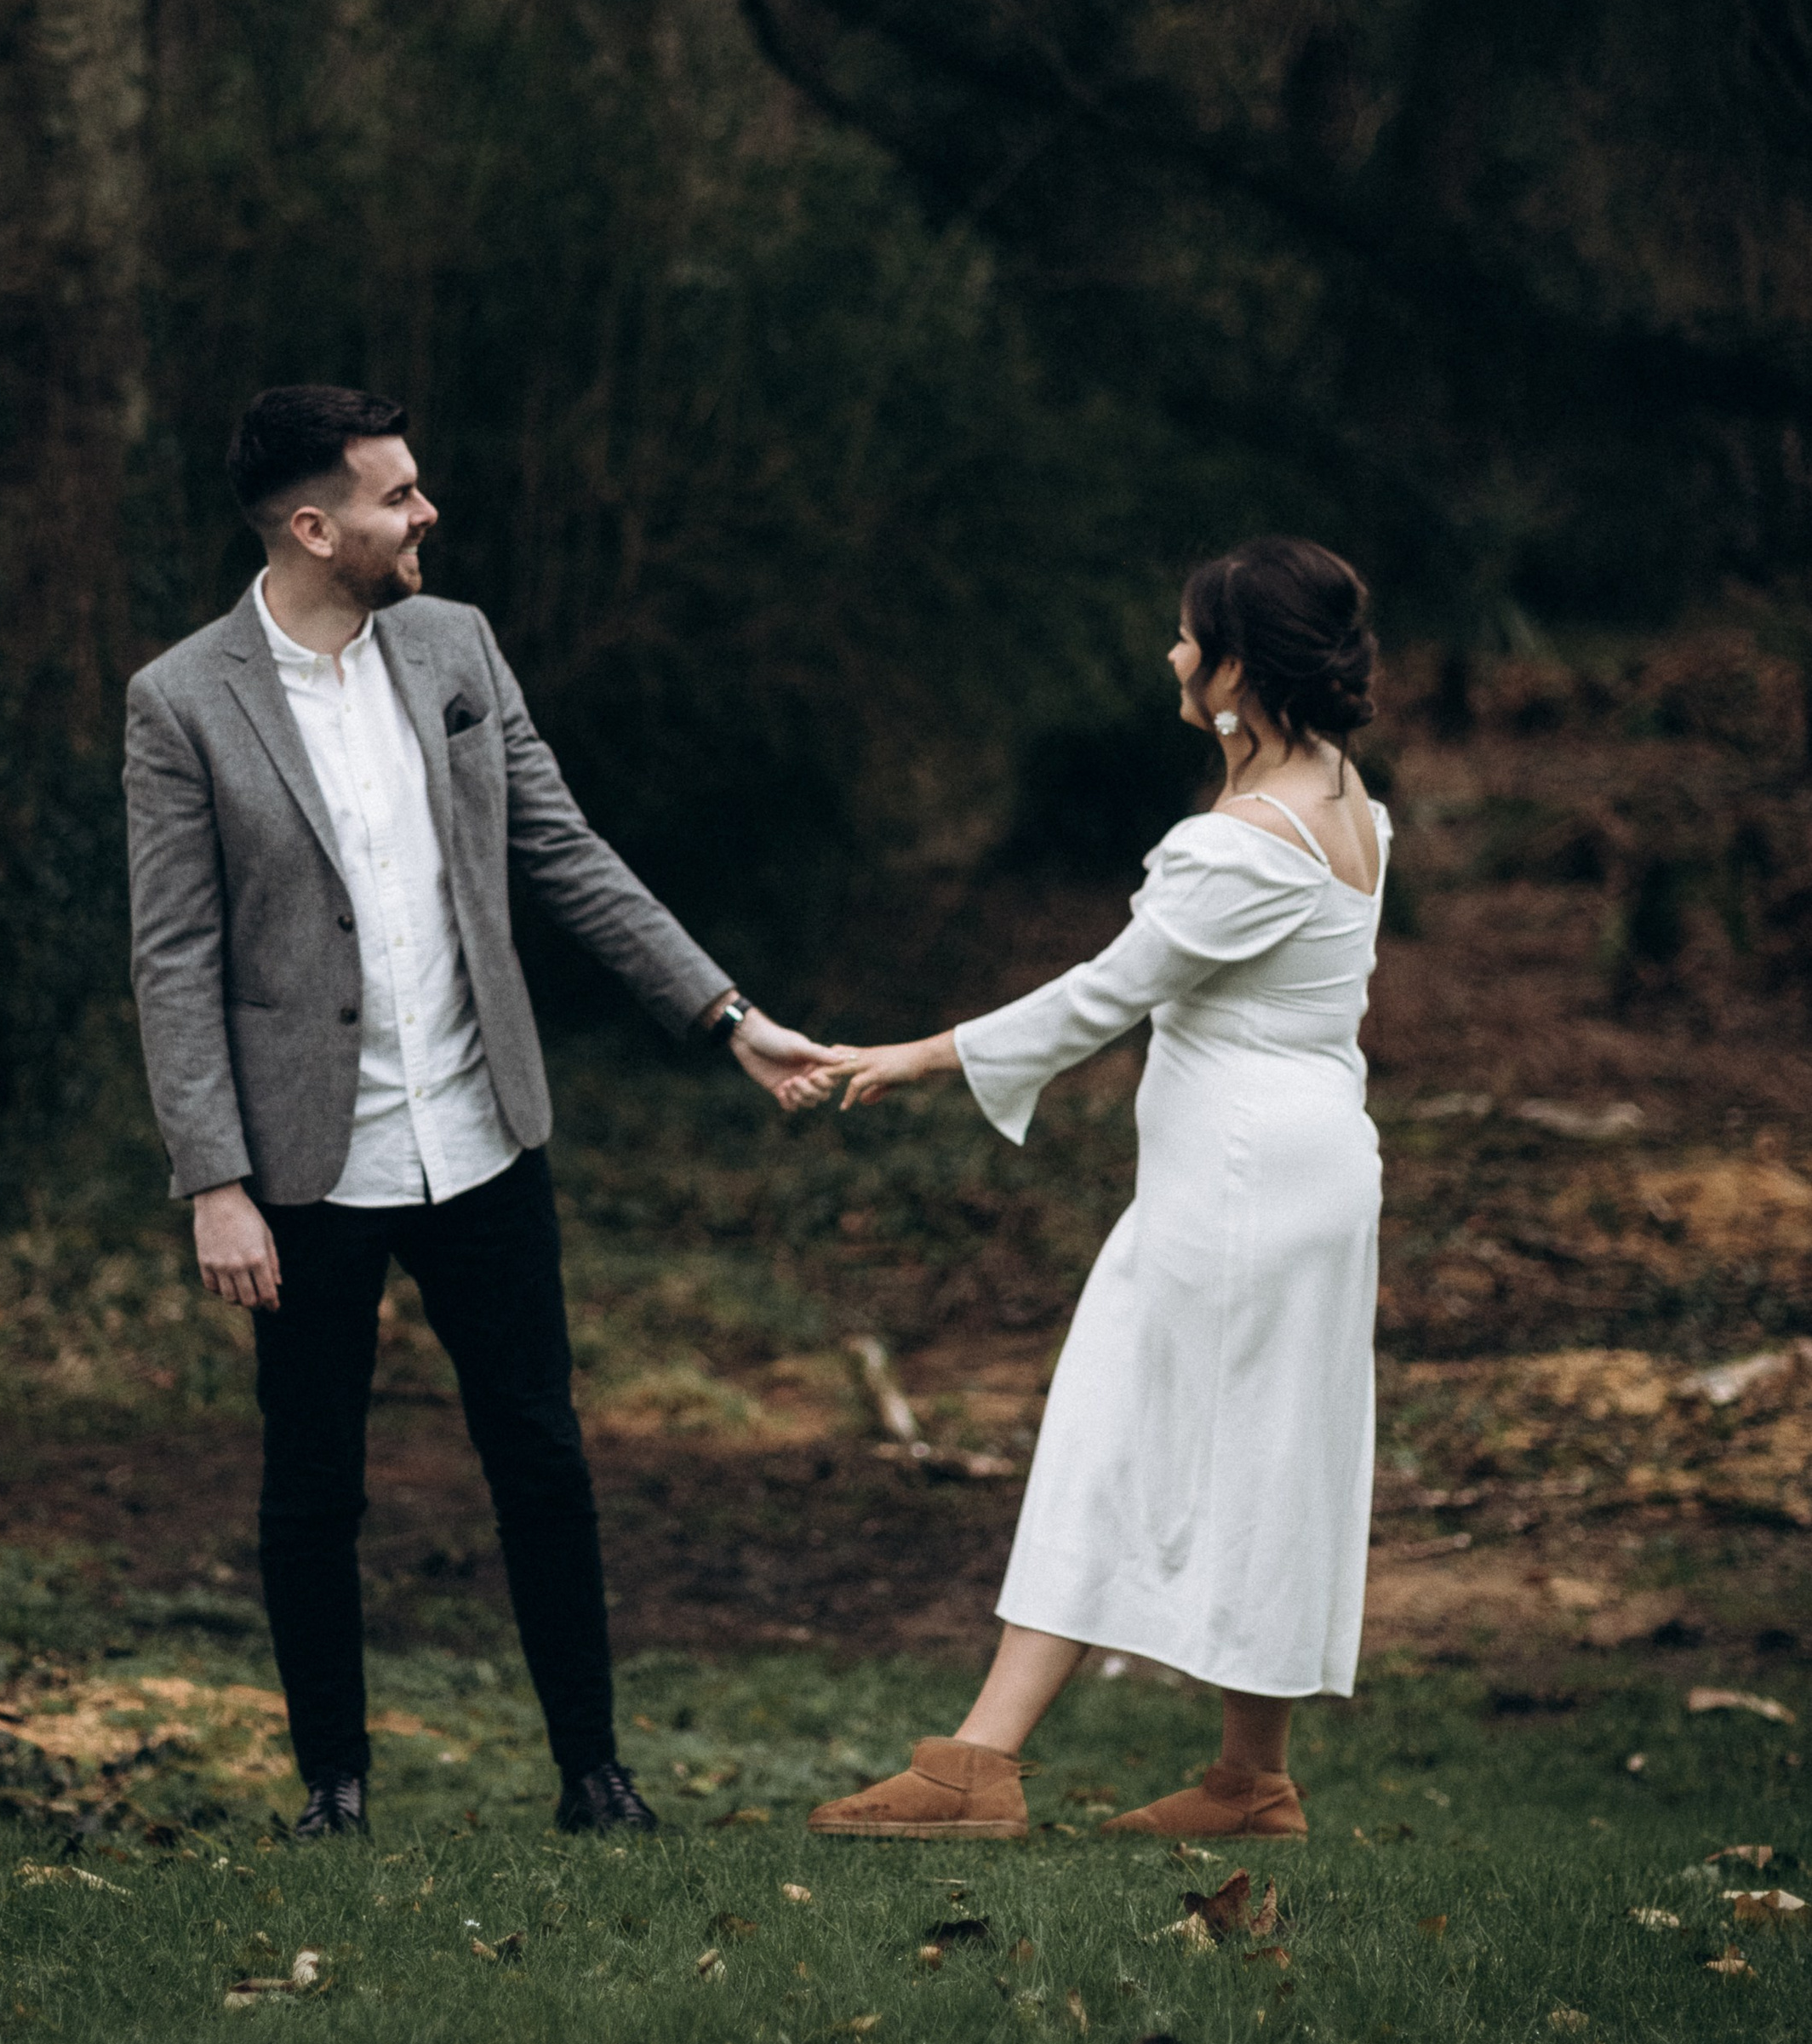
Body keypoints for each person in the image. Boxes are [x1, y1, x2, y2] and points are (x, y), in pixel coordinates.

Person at [123, 383, 846, 1841]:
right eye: (398, 496)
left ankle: (595, 1775)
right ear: (317, 527)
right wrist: (214, 1179)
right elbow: (173, 952)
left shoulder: (454, 647)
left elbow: (565, 852)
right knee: (313, 1485)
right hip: (302, 1171)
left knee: (542, 1455)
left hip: (483, 1137)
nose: (427, 511)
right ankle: (335, 1791)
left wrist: (730, 1021)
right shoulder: (180, 700)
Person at [793, 537, 1389, 1846]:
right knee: (1274, 1451)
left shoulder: (1241, 841)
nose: (1172, 656)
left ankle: (978, 1767)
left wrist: (920, 1053)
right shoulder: (1342, 793)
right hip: (1315, 1165)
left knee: (1111, 1430)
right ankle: (1250, 1780)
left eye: (1190, 639)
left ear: (1237, 669)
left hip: (1238, 1184)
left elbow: (1104, 998)